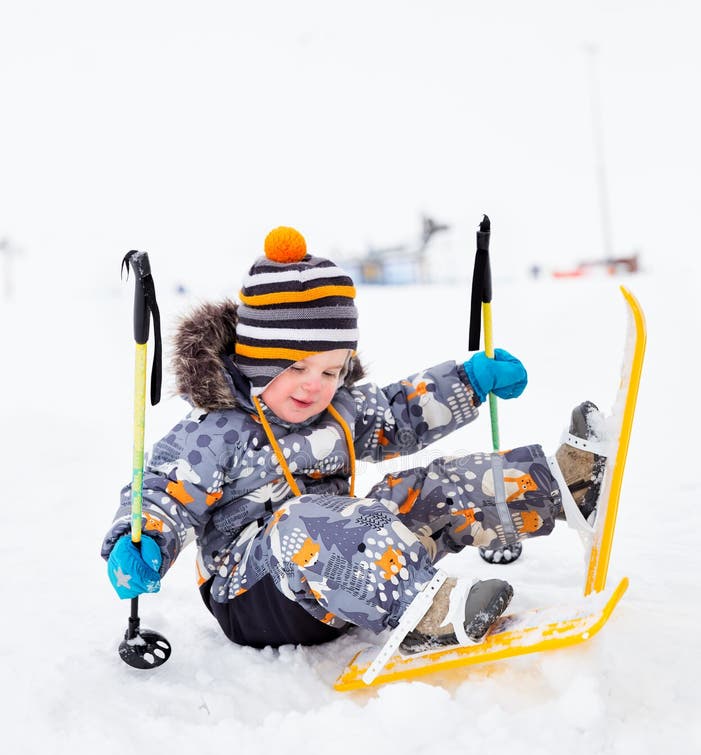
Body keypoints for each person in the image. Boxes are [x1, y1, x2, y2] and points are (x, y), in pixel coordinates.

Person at [101, 227, 606, 655]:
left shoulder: (337, 408)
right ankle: (424, 612)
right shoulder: (214, 430)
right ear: (255, 362)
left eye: (330, 369)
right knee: (300, 520)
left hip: (353, 571)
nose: (313, 385)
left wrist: (470, 381)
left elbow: (399, 411)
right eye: (294, 367)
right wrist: (140, 538)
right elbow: (165, 492)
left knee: (422, 488)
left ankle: (560, 487)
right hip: (255, 592)